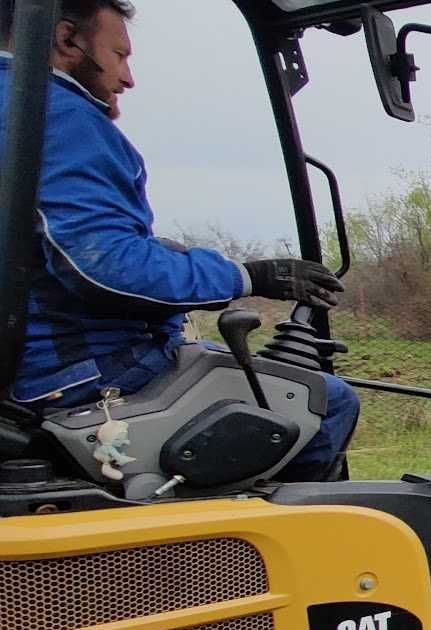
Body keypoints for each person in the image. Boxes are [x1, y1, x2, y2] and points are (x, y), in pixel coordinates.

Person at [0, 0, 358, 481]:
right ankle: (255, 549)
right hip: (82, 374)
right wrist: (247, 276)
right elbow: (102, 266)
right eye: (119, 55)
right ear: (67, 41)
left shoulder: (17, 109)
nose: (128, 78)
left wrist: (173, 259)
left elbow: (46, 250)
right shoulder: (59, 115)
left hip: (27, 373)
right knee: (324, 402)